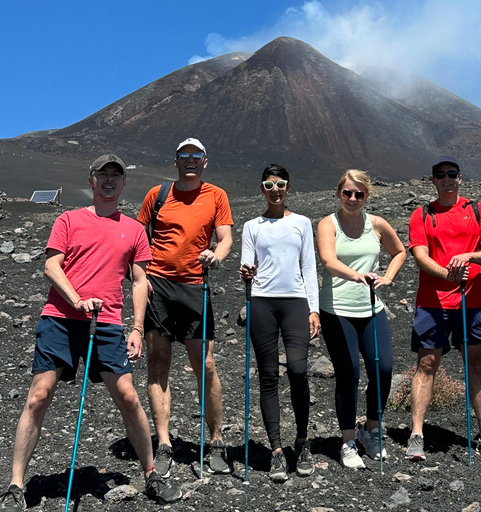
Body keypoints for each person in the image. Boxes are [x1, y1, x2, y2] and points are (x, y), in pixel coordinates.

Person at [0, 155, 181, 512]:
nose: (109, 180)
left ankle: (151, 473)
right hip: (60, 319)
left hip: (109, 323)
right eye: (103, 175)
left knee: (128, 396)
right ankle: (15, 485)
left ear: (124, 183)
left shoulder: (133, 229)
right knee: (39, 395)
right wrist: (77, 299)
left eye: (116, 175)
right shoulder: (68, 219)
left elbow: (140, 280)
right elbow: (52, 264)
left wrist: (137, 328)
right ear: (92, 180)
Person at [137, 138, 233, 477]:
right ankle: (164, 443)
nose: (190, 160)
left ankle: (216, 440)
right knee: (158, 362)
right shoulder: (157, 194)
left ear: (204, 161)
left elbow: (225, 238)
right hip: (158, 285)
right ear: (176, 160)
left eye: (196, 155)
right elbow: (139, 236)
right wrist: (139, 277)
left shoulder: (216, 195)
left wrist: (217, 257)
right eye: (184, 155)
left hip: (195, 286)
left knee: (204, 366)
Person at [405, 156, 481, 463]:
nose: (447, 179)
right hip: (432, 301)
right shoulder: (422, 214)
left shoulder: (477, 210)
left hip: (472, 301)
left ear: (460, 178)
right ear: (433, 181)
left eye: (452, 174)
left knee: (476, 364)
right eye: (441, 175)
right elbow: (420, 256)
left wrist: (468, 257)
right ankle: (416, 434)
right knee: (426, 364)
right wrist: (446, 274)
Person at [317, 170, 406, 468]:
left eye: (359, 194)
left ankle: (371, 429)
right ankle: (347, 442)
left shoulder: (377, 224)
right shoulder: (328, 224)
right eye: (347, 193)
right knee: (349, 373)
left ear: (367, 196)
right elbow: (328, 261)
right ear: (338, 193)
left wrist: (388, 277)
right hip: (337, 310)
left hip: (371, 308)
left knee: (383, 369)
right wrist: (358, 275)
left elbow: (399, 252)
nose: (352, 199)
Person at [239, 164, 320, 482]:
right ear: (262, 189)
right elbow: (247, 263)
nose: (276, 189)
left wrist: (314, 309)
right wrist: (246, 272)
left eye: (281, 184)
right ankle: (275, 450)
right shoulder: (251, 226)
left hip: (296, 303)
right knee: (269, 375)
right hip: (262, 302)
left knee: (299, 370)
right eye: (269, 185)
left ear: (289, 188)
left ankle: (301, 441)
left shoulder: (302, 223)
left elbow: (309, 267)